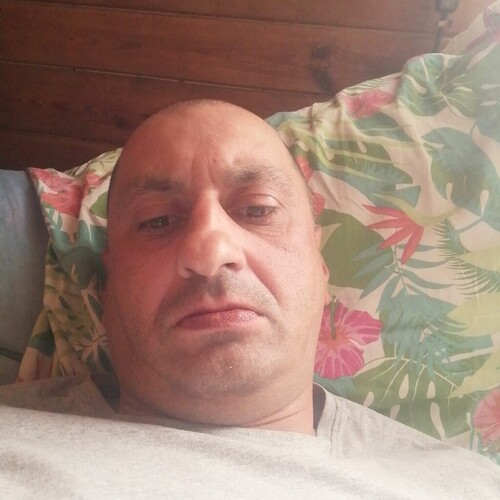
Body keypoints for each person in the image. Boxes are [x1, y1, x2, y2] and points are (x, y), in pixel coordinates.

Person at [0, 100, 499, 498]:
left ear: (321, 269)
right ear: (107, 288)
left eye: (258, 209)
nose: (209, 250)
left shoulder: (468, 487)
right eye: (157, 220)